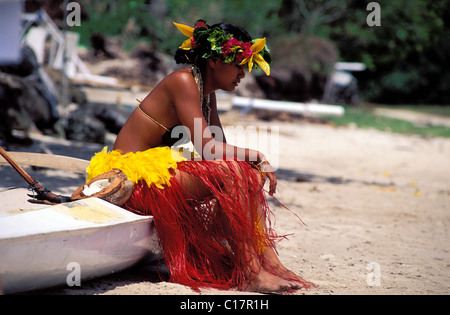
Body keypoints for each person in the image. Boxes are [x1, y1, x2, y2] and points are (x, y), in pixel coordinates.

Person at [85, 20, 315, 293]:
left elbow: (219, 150)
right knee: (237, 171)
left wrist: (252, 164)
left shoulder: (206, 92)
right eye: (239, 64)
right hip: (130, 182)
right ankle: (250, 272)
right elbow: (208, 149)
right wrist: (258, 155)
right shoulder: (182, 81)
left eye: (246, 66)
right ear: (215, 60)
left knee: (245, 173)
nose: (243, 73)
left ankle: (269, 262)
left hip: (157, 178)